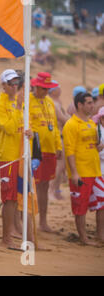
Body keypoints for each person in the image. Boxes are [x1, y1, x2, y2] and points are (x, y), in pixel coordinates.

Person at [0, 69, 33, 249]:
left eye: (17, 83)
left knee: (17, 197)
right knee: (8, 198)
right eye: (11, 83)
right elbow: (8, 128)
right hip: (7, 157)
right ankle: (5, 238)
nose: (15, 86)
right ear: (4, 85)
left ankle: (14, 233)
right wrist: (17, 107)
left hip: (21, 155)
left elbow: (25, 126)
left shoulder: (21, 104)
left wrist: (30, 133)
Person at [63, 92, 102, 245]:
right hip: (81, 172)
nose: (93, 106)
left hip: (95, 170)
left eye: (92, 103)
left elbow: (94, 146)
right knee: (80, 206)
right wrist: (74, 172)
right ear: (80, 105)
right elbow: (70, 151)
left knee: (99, 203)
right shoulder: (71, 125)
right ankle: (83, 238)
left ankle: (99, 235)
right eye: (89, 103)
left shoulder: (92, 123)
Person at [29, 72, 62, 233]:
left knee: (45, 185)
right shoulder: (28, 100)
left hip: (50, 150)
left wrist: (58, 146)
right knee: (32, 185)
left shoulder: (49, 101)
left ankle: (43, 221)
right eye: (43, 88)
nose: (46, 91)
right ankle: (29, 222)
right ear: (36, 86)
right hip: (35, 150)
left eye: (48, 89)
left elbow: (54, 126)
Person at [48, 83, 70, 200]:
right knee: (58, 167)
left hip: (61, 136)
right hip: (57, 137)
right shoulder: (53, 103)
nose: (60, 89)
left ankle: (55, 190)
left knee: (61, 167)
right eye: (57, 87)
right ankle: (50, 191)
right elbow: (64, 118)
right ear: (53, 91)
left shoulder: (57, 103)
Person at [92, 107, 104, 243]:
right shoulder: (96, 131)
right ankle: (99, 234)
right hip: (99, 171)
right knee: (101, 206)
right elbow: (97, 152)